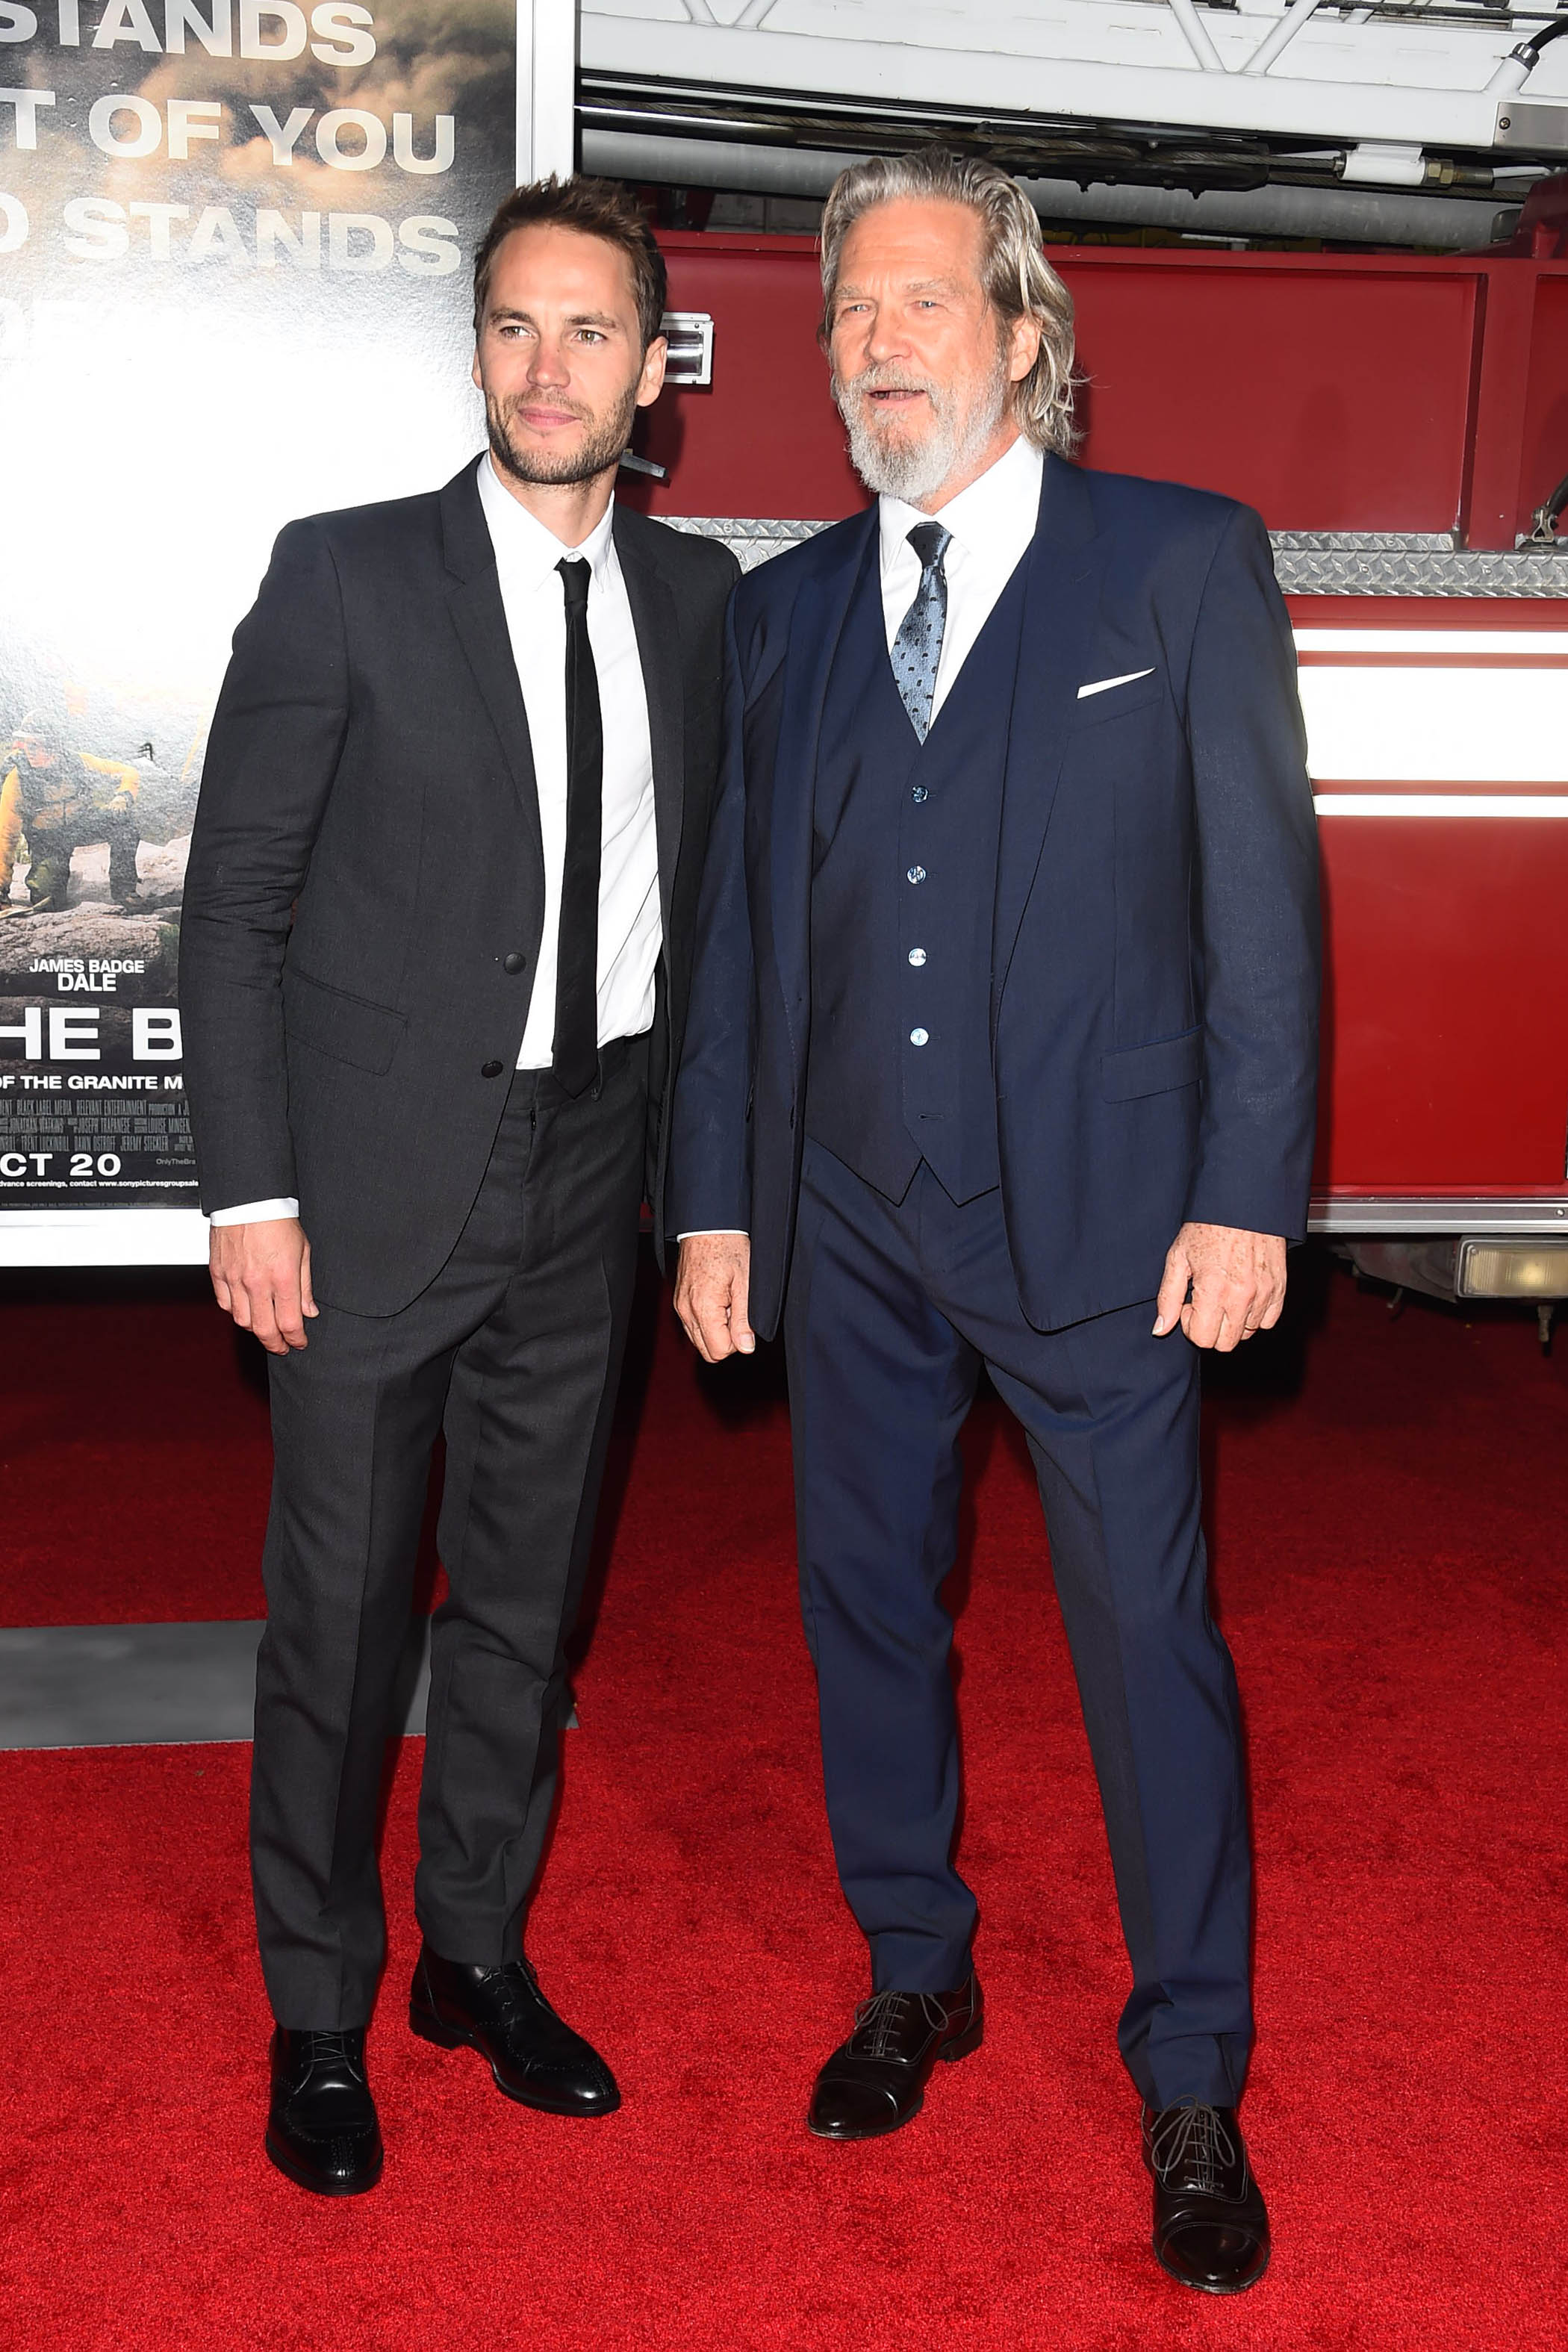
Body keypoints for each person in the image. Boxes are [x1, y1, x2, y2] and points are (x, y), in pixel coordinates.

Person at [671, 149, 1319, 2296]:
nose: (875, 345)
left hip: (1114, 1223)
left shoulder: (1181, 564)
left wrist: (1246, 1191)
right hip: (851, 1211)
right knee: (865, 1602)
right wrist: (715, 1204)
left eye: (920, 303)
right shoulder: (782, 615)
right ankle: (913, 1966)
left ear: (1023, 336)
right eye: (848, 311)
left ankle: (1191, 2067)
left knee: (1146, 1638)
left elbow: (1262, 907)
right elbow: (740, 937)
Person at [181, 176, 738, 2198]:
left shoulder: (701, 602)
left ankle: (472, 1952)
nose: (546, 367)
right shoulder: (342, 575)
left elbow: (710, 920)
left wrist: (703, 1190)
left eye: (591, 332)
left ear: (654, 369)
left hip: (595, 1163)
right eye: (515, 324)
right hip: (371, 1178)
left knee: (523, 1594)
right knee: (339, 1615)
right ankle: (320, 2011)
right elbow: (231, 904)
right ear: (477, 345)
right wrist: (249, 1191)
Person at [0, 712, 141, 913]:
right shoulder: (18, 780)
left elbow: (129, 772)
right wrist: (1, 889)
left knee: (124, 824)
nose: (29, 751)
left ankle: (125, 891)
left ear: (53, 746)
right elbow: (6, 835)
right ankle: (59, 874)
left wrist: (123, 796)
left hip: (79, 825)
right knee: (47, 901)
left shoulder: (78, 762)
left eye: (35, 745)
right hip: (48, 839)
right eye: (27, 744)